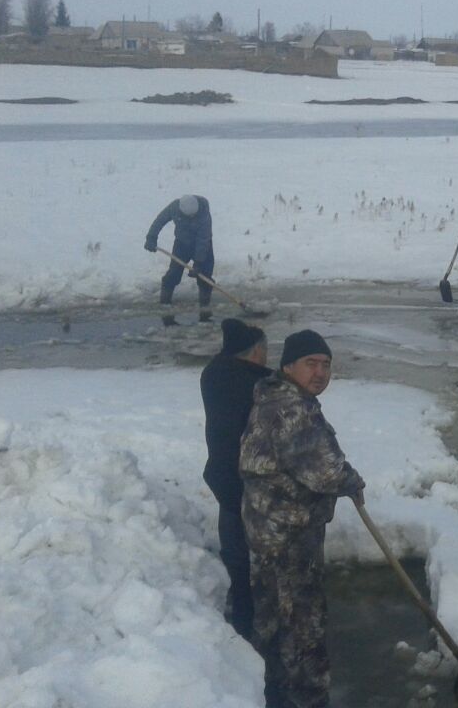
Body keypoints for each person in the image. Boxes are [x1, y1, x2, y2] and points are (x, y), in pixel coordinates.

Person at [240, 330, 366, 708]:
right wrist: (352, 480)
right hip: (290, 535)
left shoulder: (277, 397)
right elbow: (325, 471)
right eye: (311, 363)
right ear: (287, 366)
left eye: (326, 364)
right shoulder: (292, 409)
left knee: (272, 616)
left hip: (268, 528)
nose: (320, 372)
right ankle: (309, 698)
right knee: (303, 623)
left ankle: (270, 689)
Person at [200, 318, 271, 641]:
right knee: (260, 567)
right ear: (256, 352)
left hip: (223, 481)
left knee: (235, 560)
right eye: (265, 350)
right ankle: (257, 631)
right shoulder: (259, 386)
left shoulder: (212, 375)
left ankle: (239, 625)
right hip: (252, 487)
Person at [145, 194, 214, 308]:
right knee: (173, 273)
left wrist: (198, 263)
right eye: (189, 216)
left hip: (203, 245)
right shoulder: (174, 208)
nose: (191, 217)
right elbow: (160, 220)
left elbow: (203, 239)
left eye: (193, 215)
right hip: (181, 244)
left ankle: (204, 305)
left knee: (204, 276)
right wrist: (151, 237)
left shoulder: (204, 212)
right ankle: (165, 302)